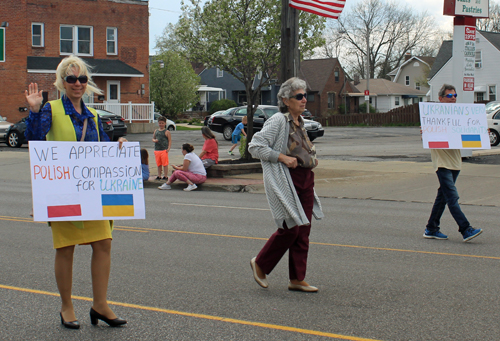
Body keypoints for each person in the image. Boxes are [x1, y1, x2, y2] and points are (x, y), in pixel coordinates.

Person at [24, 55, 127, 329]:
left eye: (82, 78)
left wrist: (119, 146)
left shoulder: (92, 115)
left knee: (104, 242)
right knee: (65, 248)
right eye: (71, 78)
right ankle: (66, 306)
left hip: (91, 193)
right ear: (62, 82)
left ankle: (100, 305)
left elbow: (103, 150)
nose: (77, 83)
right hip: (62, 191)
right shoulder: (51, 109)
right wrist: (34, 111)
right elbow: (35, 142)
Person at [248, 77, 324, 292]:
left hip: (305, 179)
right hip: (288, 179)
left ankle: (297, 279)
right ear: (285, 100)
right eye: (299, 96)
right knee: (291, 228)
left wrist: (311, 159)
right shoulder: (278, 121)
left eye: (305, 95)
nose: (304, 100)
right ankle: (260, 263)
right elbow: (256, 146)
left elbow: (301, 148)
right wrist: (282, 157)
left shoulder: (301, 122)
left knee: (304, 230)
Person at [423, 84, 483, 242]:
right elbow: (429, 137)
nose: (453, 98)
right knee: (452, 197)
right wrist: (426, 132)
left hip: (455, 162)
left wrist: (481, 133)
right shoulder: (432, 116)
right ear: (441, 98)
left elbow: (467, 138)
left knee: (442, 197)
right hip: (442, 163)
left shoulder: (459, 116)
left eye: (455, 95)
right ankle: (465, 229)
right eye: (449, 96)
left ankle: (431, 228)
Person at [152, 116, 171, 180]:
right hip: (157, 149)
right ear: (158, 123)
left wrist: (168, 148)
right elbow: (153, 138)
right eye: (160, 123)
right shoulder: (156, 131)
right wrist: (154, 140)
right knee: (158, 163)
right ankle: (159, 175)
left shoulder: (167, 131)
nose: (161, 124)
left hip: (164, 149)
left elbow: (169, 140)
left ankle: (165, 175)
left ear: (165, 123)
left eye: (162, 123)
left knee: (165, 163)